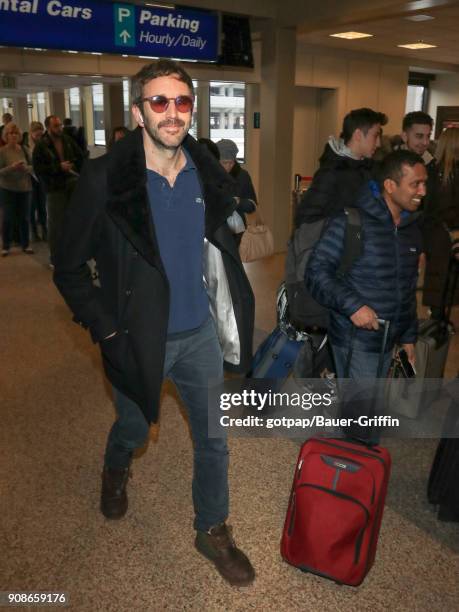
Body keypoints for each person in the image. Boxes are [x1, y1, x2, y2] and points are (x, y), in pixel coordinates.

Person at [53, 59, 255, 587]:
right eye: (158, 102)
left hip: (200, 336)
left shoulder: (204, 170)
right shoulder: (104, 179)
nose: (172, 113)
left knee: (214, 439)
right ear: (139, 112)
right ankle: (116, 465)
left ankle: (211, 528)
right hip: (135, 337)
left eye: (182, 102)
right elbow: (68, 269)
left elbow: (218, 244)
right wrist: (107, 330)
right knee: (136, 428)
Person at [306, 150, 426, 379]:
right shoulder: (350, 222)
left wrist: (408, 335)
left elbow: (408, 286)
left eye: (424, 183)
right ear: (390, 186)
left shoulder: (411, 229)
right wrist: (353, 306)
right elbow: (316, 273)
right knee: (359, 410)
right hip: (356, 340)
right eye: (415, 184)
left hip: (389, 339)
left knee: (370, 407)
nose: (423, 191)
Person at [295, 107, 387, 227]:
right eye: (375, 136)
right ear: (358, 135)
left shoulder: (371, 169)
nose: (379, 143)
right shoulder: (331, 172)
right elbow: (306, 218)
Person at [32, 114, 84, 265]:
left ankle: (72, 253)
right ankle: (55, 258)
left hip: (71, 183)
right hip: (54, 188)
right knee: (56, 224)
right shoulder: (42, 145)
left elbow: (80, 157)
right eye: (56, 126)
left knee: (73, 221)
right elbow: (39, 169)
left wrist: (75, 166)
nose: (59, 128)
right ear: (48, 127)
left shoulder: (67, 140)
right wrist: (58, 167)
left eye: (60, 125)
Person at [423, 127, 459, 318]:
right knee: (443, 277)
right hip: (444, 233)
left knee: (441, 277)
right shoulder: (442, 172)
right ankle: (438, 319)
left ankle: (439, 317)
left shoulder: (434, 170)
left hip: (437, 232)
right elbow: (445, 206)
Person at [0, 122, 34, 256]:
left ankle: (26, 244)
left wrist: (25, 168)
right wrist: (12, 168)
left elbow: (33, 167)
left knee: (25, 218)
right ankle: (6, 245)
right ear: (6, 136)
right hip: (7, 188)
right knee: (8, 217)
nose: (13, 136)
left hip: (25, 188)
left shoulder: (25, 149)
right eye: (10, 133)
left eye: (16, 133)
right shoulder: (2, 151)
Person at [216, 138, 256, 245]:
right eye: (224, 162)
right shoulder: (208, 175)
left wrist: (239, 202)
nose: (228, 166)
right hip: (214, 229)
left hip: (236, 232)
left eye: (231, 162)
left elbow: (252, 205)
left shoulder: (242, 176)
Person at [399, 111, 437, 212]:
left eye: (428, 136)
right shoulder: (388, 165)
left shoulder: (434, 166)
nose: (425, 142)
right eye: (419, 136)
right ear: (404, 136)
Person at [28, 121, 47, 242]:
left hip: (41, 179)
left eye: (41, 135)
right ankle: (34, 231)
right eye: (37, 135)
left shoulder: (44, 145)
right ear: (31, 134)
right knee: (32, 206)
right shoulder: (27, 147)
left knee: (42, 205)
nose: (39, 137)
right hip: (30, 179)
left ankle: (44, 230)